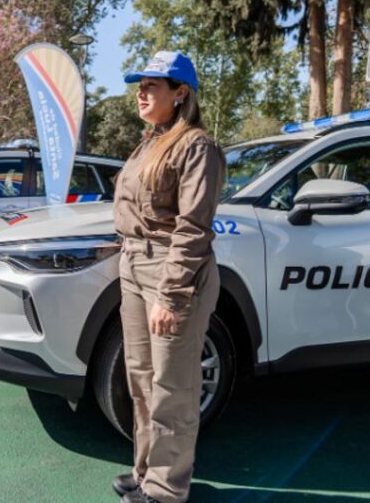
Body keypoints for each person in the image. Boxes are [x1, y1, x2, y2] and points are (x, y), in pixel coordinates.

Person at [111, 51, 226, 503]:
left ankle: (166, 488)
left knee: (172, 386)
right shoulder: (149, 143)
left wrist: (172, 295)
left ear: (181, 93)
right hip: (133, 267)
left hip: (170, 271)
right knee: (140, 378)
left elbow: (193, 227)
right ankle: (146, 472)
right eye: (140, 84)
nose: (142, 92)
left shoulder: (197, 146)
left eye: (153, 85)